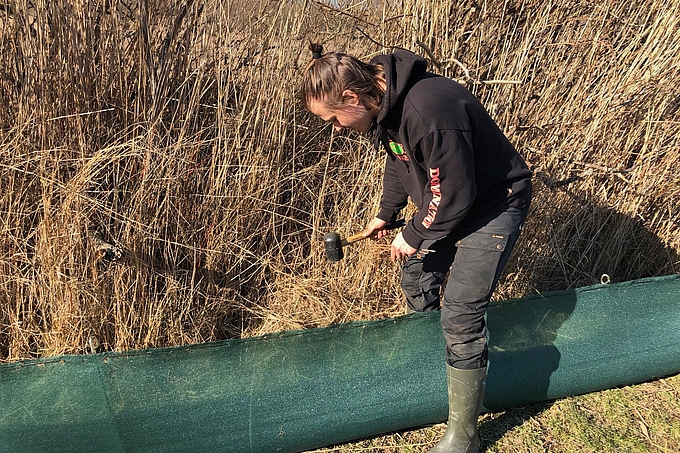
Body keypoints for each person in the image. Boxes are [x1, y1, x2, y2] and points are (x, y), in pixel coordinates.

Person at [301, 43, 532, 453]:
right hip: (456, 204)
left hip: (494, 204)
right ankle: (434, 366)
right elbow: (399, 159)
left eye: (333, 119)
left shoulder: (429, 111)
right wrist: (387, 213)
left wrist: (414, 233)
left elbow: (456, 193)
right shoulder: (385, 106)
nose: (334, 129)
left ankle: (464, 436)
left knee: (461, 313)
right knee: (418, 273)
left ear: (352, 98)